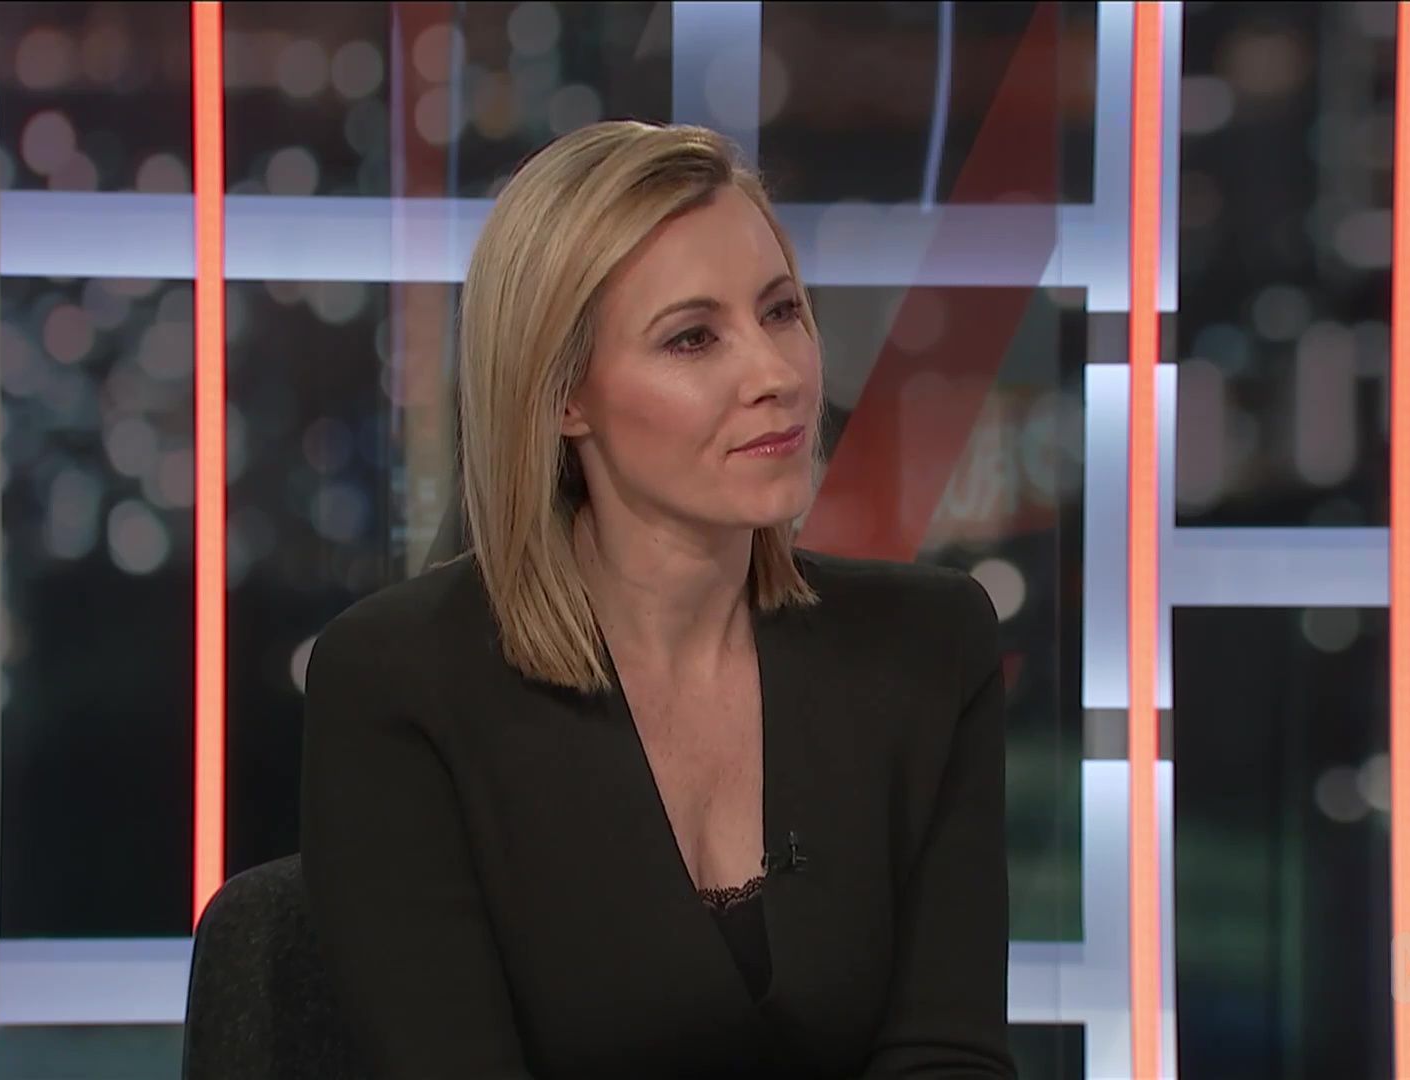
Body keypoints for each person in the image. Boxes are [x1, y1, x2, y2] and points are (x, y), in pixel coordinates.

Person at [299, 120, 1014, 1079]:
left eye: (781, 312)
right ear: (564, 396)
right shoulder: (402, 685)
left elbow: (949, 1056)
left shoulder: (927, 648)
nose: (776, 375)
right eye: (692, 338)